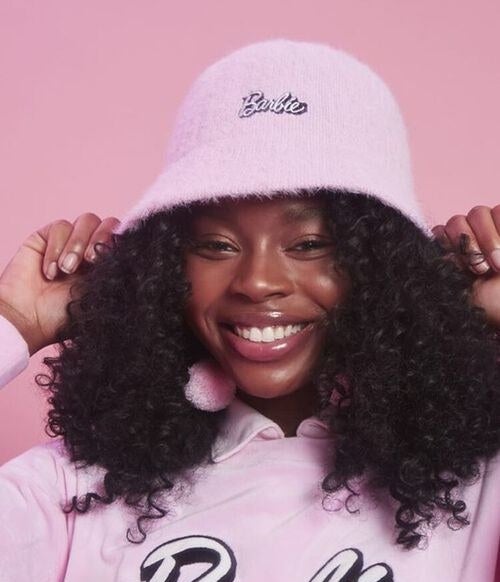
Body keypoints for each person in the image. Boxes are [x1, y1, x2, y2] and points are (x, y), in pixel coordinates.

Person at [0, 39, 499, 582]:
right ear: (166, 267)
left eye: (310, 243)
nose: (258, 282)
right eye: (215, 245)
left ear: (383, 264)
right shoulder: (73, 489)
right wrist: (13, 320)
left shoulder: (475, 482)